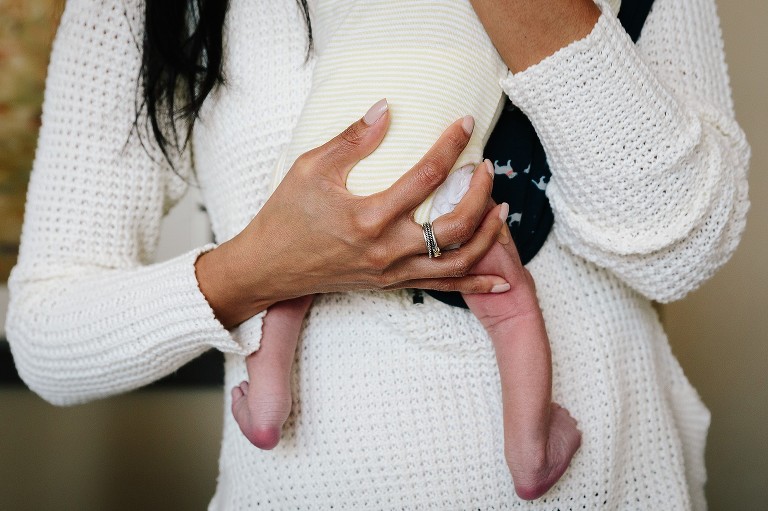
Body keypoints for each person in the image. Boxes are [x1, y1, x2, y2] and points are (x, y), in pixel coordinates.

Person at [6, 0, 749, 508]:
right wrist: (258, 267)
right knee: (502, 294)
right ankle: (531, 440)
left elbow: (684, 248)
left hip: (618, 489)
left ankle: (270, 392)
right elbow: (46, 334)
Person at [231, 0, 585, 501]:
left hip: (323, 162)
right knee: (509, 309)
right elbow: (580, 40)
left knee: (285, 276)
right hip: (441, 174)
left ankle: (266, 402)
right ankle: (532, 453)